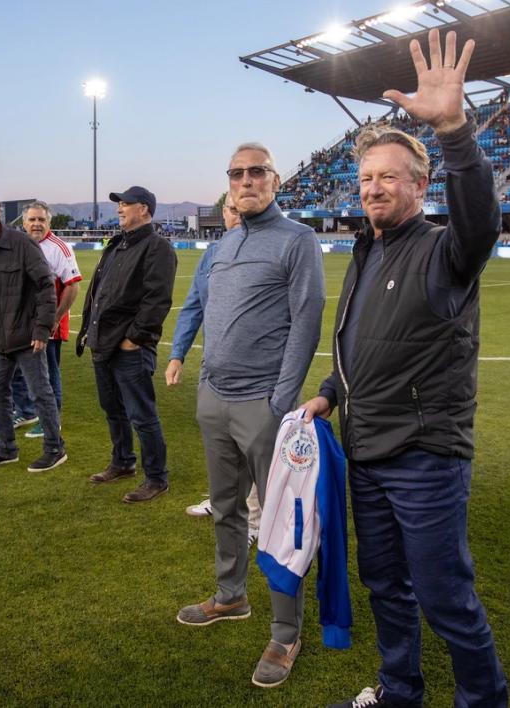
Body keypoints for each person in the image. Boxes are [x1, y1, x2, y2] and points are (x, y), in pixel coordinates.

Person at [300, 30, 509, 708]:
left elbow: (481, 222)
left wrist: (453, 130)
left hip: (424, 457)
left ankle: (484, 700)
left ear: (420, 185)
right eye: (365, 178)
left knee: (447, 600)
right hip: (364, 449)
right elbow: (362, 343)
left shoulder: (448, 250)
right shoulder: (367, 249)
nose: (373, 187)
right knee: (384, 586)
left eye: (388, 176)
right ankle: (399, 693)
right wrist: (330, 393)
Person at [175, 143, 325, 690]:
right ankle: (230, 596)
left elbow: (306, 322)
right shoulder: (224, 242)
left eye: (255, 171)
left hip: (264, 404)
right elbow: (207, 309)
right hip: (213, 397)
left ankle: (286, 632)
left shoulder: (298, 240)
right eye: (236, 173)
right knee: (226, 508)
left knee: (281, 524)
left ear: (275, 180)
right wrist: (201, 380)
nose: (246, 180)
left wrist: (279, 400)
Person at [169, 196, 263, 541]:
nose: (236, 216)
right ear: (223, 214)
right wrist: (177, 354)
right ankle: (224, 501)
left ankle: (254, 520)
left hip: (257, 369)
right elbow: (193, 305)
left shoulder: (268, 249)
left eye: (242, 210)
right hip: (214, 365)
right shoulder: (213, 253)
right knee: (220, 441)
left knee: (254, 445)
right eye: (231, 209)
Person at [76, 186, 177, 503]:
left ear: (144, 209)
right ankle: (122, 462)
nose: (119, 208)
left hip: (129, 348)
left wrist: (134, 340)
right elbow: (97, 292)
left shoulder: (157, 247)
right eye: (119, 204)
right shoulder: (116, 245)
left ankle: (157, 477)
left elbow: (156, 301)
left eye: (125, 203)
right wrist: (87, 332)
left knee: (141, 415)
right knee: (113, 410)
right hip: (101, 343)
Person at [0, 192, 66, 473]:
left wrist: (42, 328)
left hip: (27, 338)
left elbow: (46, 287)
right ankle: (5, 449)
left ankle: (55, 449)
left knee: (40, 393)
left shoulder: (22, 244)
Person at [19, 201, 82, 438]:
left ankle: (51, 421)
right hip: (22, 322)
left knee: (48, 371)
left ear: (49, 222)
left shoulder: (59, 247)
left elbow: (72, 287)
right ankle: (27, 411)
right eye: (32, 220)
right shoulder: (19, 244)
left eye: (41, 220)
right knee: (25, 370)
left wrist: (54, 319)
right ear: (24, 223)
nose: (36, 224)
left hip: (48, 323)